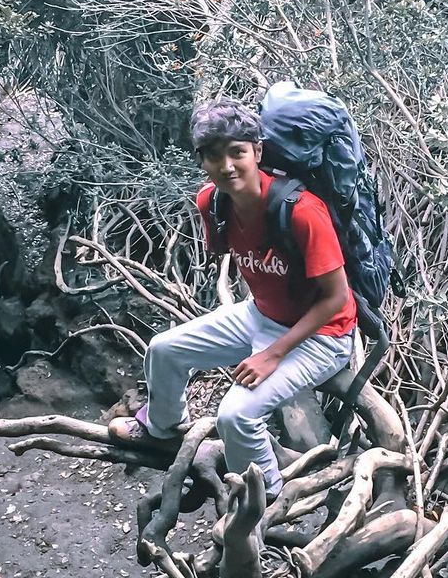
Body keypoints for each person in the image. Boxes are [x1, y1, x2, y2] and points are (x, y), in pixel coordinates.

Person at [108, 98, 356, 499]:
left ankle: (264, 497)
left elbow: (335, 298)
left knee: (236, 415)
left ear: (257, 151)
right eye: (213, 156)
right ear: (201, 160)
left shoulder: (303, 213)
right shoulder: (212, 202)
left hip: (324, 334)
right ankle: (161, 427)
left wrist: (272, 353)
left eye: (238, 153)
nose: (227, 166)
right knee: (164, 349)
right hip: (261, 316)